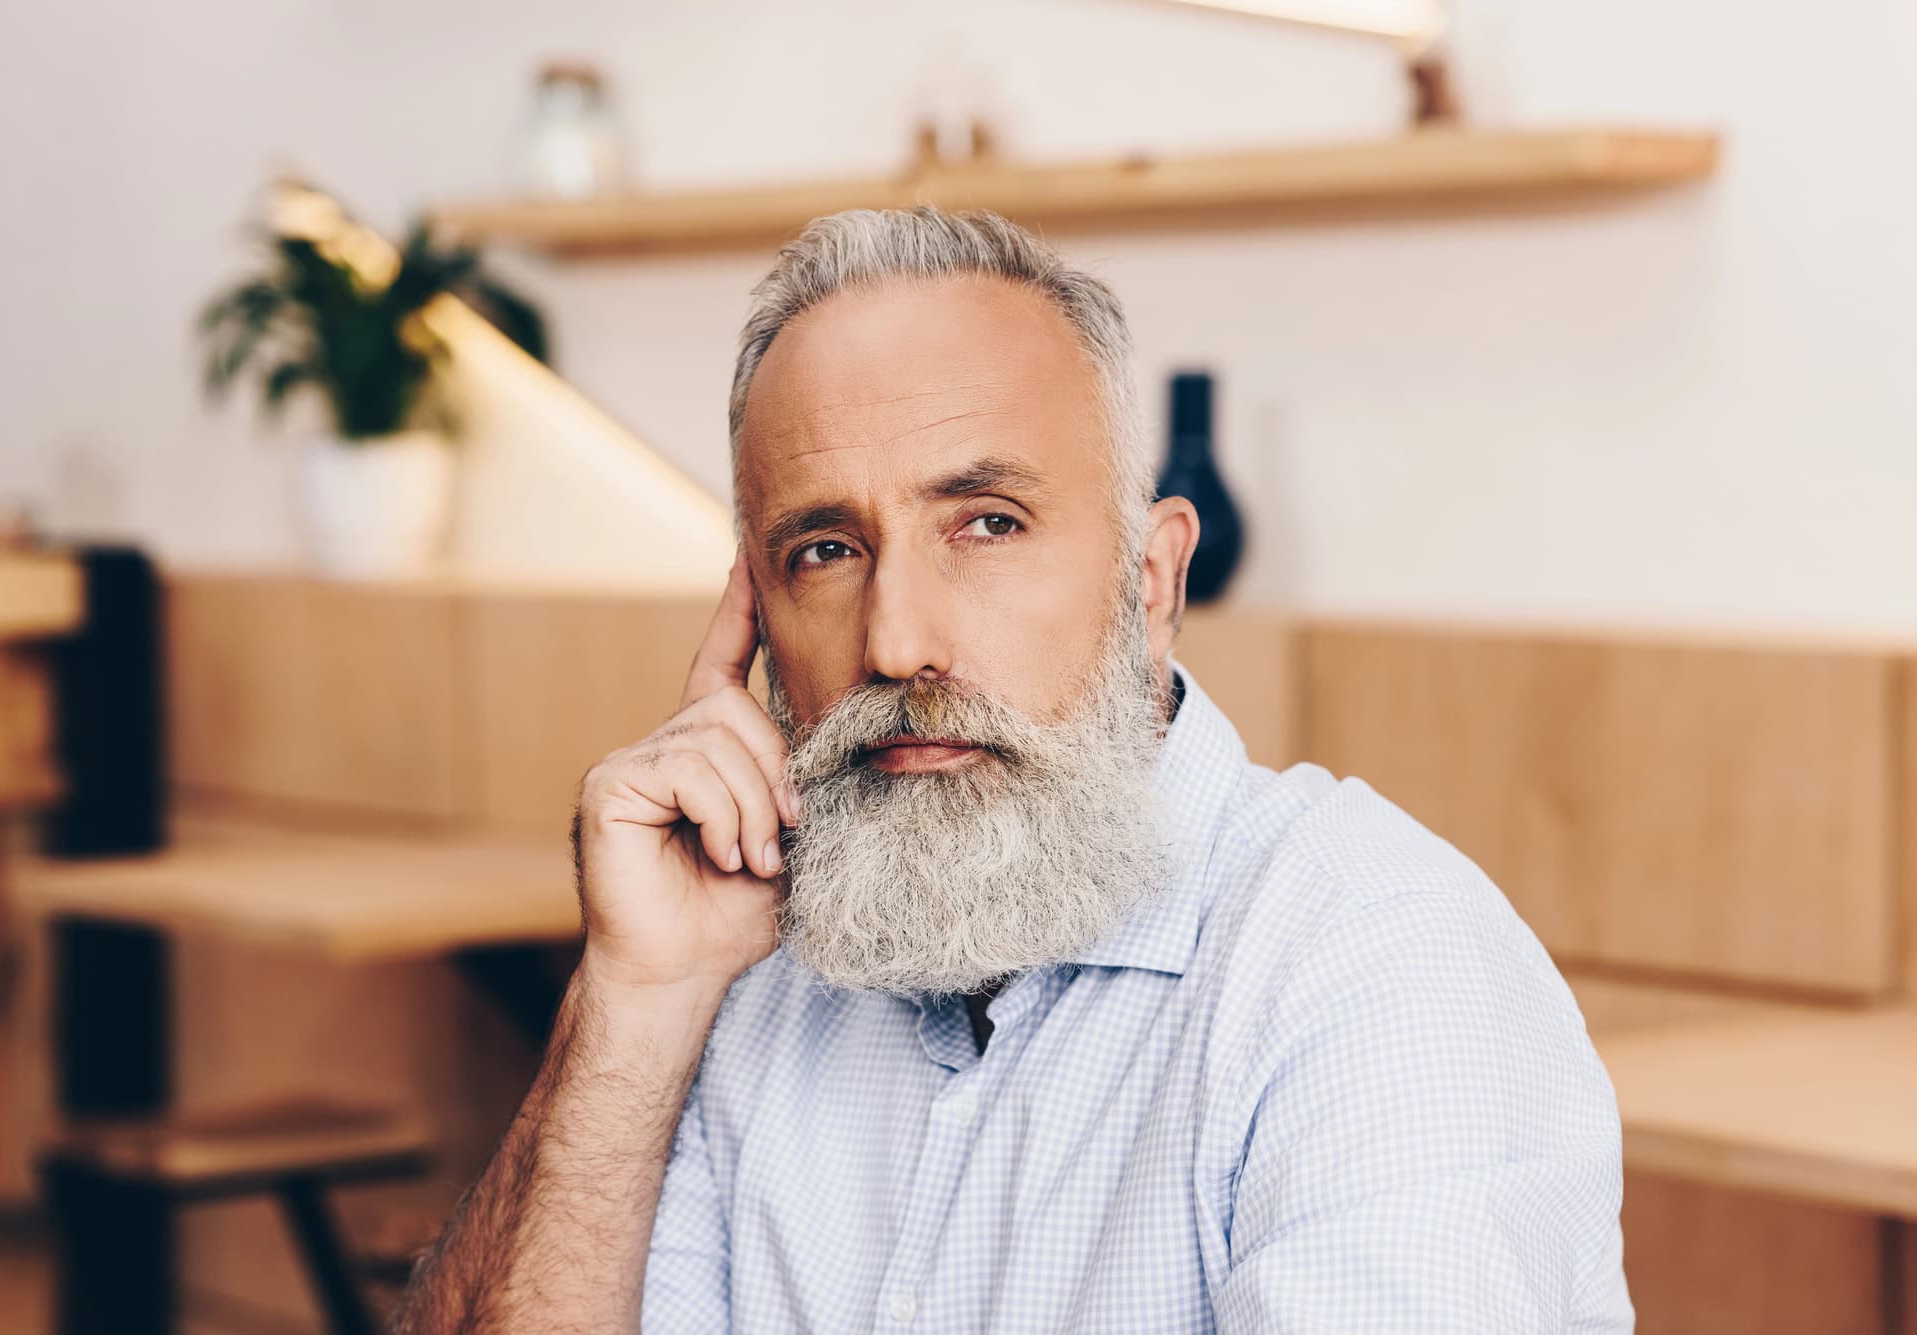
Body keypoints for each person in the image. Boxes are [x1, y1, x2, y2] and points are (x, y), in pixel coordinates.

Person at [395, 207, 1632, 1333]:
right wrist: (631, 1004)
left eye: (985, 524)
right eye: (824, 551)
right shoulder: (744, 975)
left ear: (1149, 584)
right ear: (754, 617)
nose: (896, 644)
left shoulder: (1368, 957)